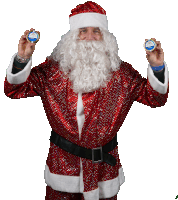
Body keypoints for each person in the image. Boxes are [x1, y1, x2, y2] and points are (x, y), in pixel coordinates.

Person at [4, 1, 169, 200]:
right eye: (83, 31)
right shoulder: (53, 72)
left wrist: (157, 67)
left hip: (103, 171)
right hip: (63, 167)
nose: (89, 38)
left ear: (106, 38)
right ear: (72, 37)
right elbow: (14, 90)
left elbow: (155, 98)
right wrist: (22, 59)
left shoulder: (122, 75)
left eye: (96, 31)